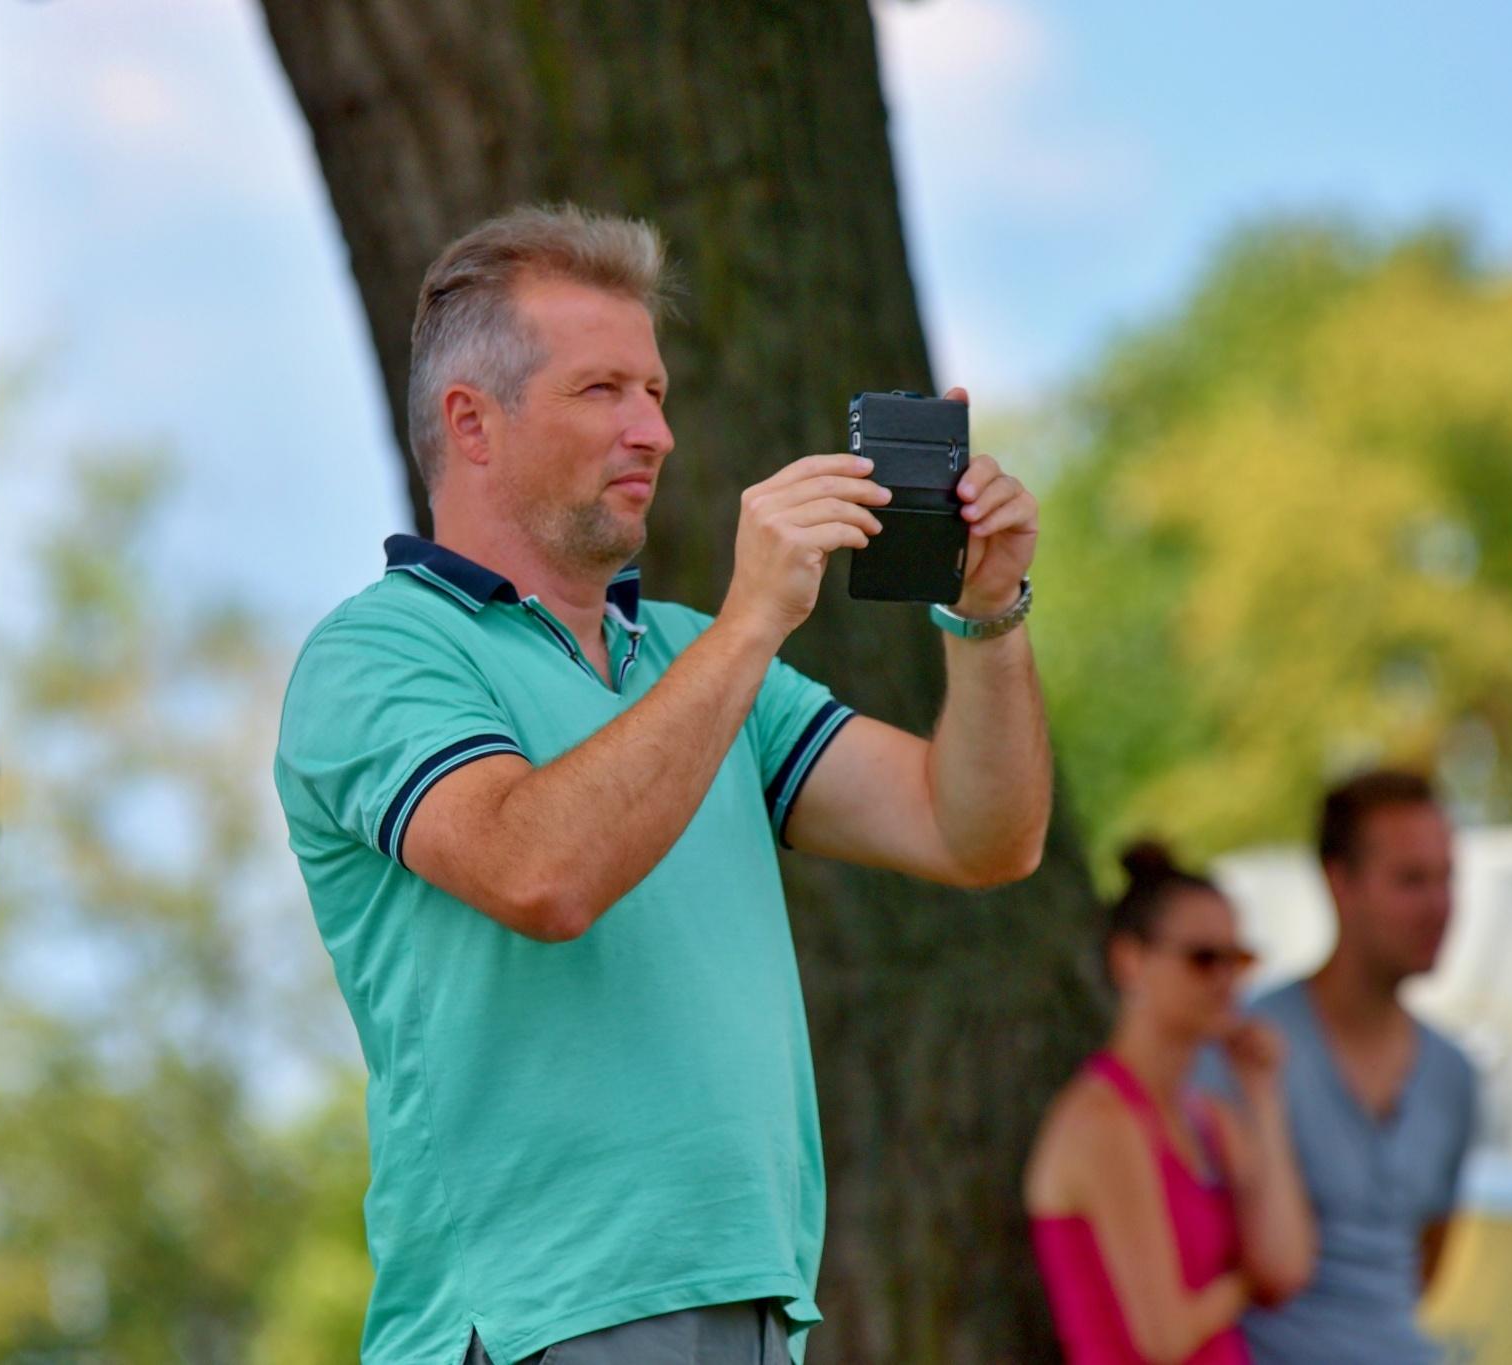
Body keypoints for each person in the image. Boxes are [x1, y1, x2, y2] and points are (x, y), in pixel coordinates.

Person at [272, 204, 1054, 1365]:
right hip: (537, 1321)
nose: (655, 432)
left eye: (655, 392)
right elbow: (539, 874)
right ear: (471, 422)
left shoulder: (689, 655)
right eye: (602, 391)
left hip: (754, 1305)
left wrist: (986, 614)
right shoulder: (378, 653)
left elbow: (975, 834)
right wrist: (751, 624)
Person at [1193, 769, 1478, 1364]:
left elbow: (1425, 1265)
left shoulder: (1455, 1075)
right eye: (1411, 880)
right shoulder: (1246, 1048)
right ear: (1338, 882)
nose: (1439, 906)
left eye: (1447, 878)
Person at [1026, 843, 1314, 1364]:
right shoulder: (1103, 1120)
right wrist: (1242, 1283)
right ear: (1130, 960)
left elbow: (1286, 1267)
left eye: (1239, 959)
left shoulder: (1208, 1119)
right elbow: (1162, 1337)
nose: (1226, 980)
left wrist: (1263, 1096)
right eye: (1203, 959)